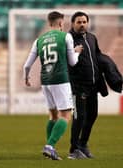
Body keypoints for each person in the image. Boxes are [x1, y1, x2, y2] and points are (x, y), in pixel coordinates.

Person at [23, 11, 83, 160]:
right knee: (66, 115)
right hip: (61, 80)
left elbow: (26, 65)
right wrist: (77, 52)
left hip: (45, 81)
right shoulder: (66, 36)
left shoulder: (39, 40)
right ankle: (49, 146)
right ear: (61, 23)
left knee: (53, 115)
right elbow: (73, 62)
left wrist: (26, 78)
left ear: (49, 23)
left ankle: (50, 150)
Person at [68, 11, 104, 159]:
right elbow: (67, 62)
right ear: (72, 23)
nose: (82, 24)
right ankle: (73, 149)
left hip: (93, 86)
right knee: (79, 117)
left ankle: (83, 144)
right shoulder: (68, 40)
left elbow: (98, 57)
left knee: (92, 115)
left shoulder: (91, 38)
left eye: (84, 22)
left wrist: (108, 74)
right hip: (78, 86)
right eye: (79, 22)